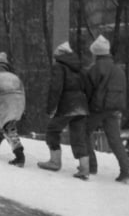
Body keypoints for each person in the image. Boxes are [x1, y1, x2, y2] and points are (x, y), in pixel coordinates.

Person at [37, 42, 91, 178]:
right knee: (78, 137)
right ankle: (84, 169)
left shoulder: (59, 67)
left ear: (59, 55)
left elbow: (56, 88)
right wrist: (86, 105)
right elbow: (88, 88)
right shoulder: (79, 67)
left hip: (67, 105)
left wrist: (51, 108)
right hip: (82, 106)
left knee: (52, 130)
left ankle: (55, 162)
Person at [83, 35, 129, 182]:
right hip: (114, 109)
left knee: (83, 132)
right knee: (115, 140)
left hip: (98, 109)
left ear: (96, 53)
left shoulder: (95, 69)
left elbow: (88, 90)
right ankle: (126, 172)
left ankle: (92, 166)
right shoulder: (119, 70)